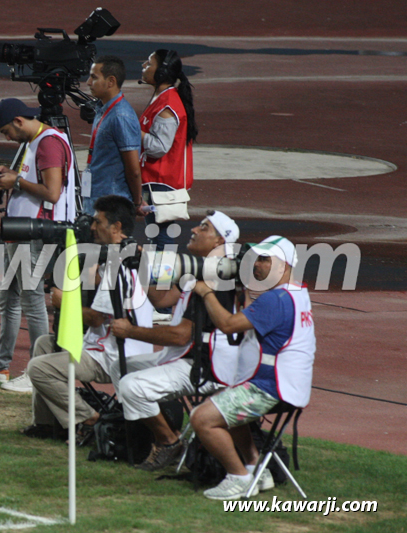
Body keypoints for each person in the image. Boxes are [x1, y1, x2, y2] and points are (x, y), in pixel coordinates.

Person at [112, 211, 241, 471]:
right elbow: (162, 299)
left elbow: (181, 333)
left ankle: (168, 441)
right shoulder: (201, 270)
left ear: (218, 242)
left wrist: (130, 331)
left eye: (203, 228)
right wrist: (144, 263)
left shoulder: (218, 278)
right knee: (120, 367)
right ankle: (155, 427)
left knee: (130, 385)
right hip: (186, 355)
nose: (193, 230)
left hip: (207, 366)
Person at [190, 236, 316, 500]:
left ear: (284, 265)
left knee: (201, 418)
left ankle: (238, 477)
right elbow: (258, 318)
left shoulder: (276, 300)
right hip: (289, 386)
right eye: (256, 259)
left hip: (270, 388)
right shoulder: (298, 293)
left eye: (264, 260)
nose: (256, 265)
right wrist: (248, 290)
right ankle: (255, 467)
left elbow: (227, 324)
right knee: (223, 404)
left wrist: (206, 292)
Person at [22, 195, 154, 439]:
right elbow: (89, 285)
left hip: (113, 355)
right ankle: (48, 424)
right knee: (43, 344)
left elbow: (95, 318)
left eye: (97, 222)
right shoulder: (122, 254)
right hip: (103, 346)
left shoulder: (120, 262)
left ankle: (89, 419)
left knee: (38, 368)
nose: (91, 227)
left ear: (116, 227)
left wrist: (64, 302)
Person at [0, 98, 76, 393]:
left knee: (30, 299)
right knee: (9, 298)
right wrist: (14, 177)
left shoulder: (48, 143)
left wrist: (16, 181)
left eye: (6, 131)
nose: (7, 137)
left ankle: (38, 372)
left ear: (18, 120)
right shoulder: (36, 141)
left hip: (37, 233)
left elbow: (52, 193)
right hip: (24, 232)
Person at [138, 49, 198, 249]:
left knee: (161, 240)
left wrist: (133, 131)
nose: (144, 66)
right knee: (157, 239)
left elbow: (159, 147)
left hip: (162, 184)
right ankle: (162, 279)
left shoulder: (168, 105)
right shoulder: (163, 99)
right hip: (158, 182)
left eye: (149, 63)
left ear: (162, 72)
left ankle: (164, 279)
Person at [82, 55, 142, 215]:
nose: (88, 82)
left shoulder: (121, 116)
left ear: (111, 81)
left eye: (94, 77)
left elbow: (133, 169)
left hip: (112, 206)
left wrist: (137, 202)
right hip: (97, 200)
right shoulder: (103, 109)